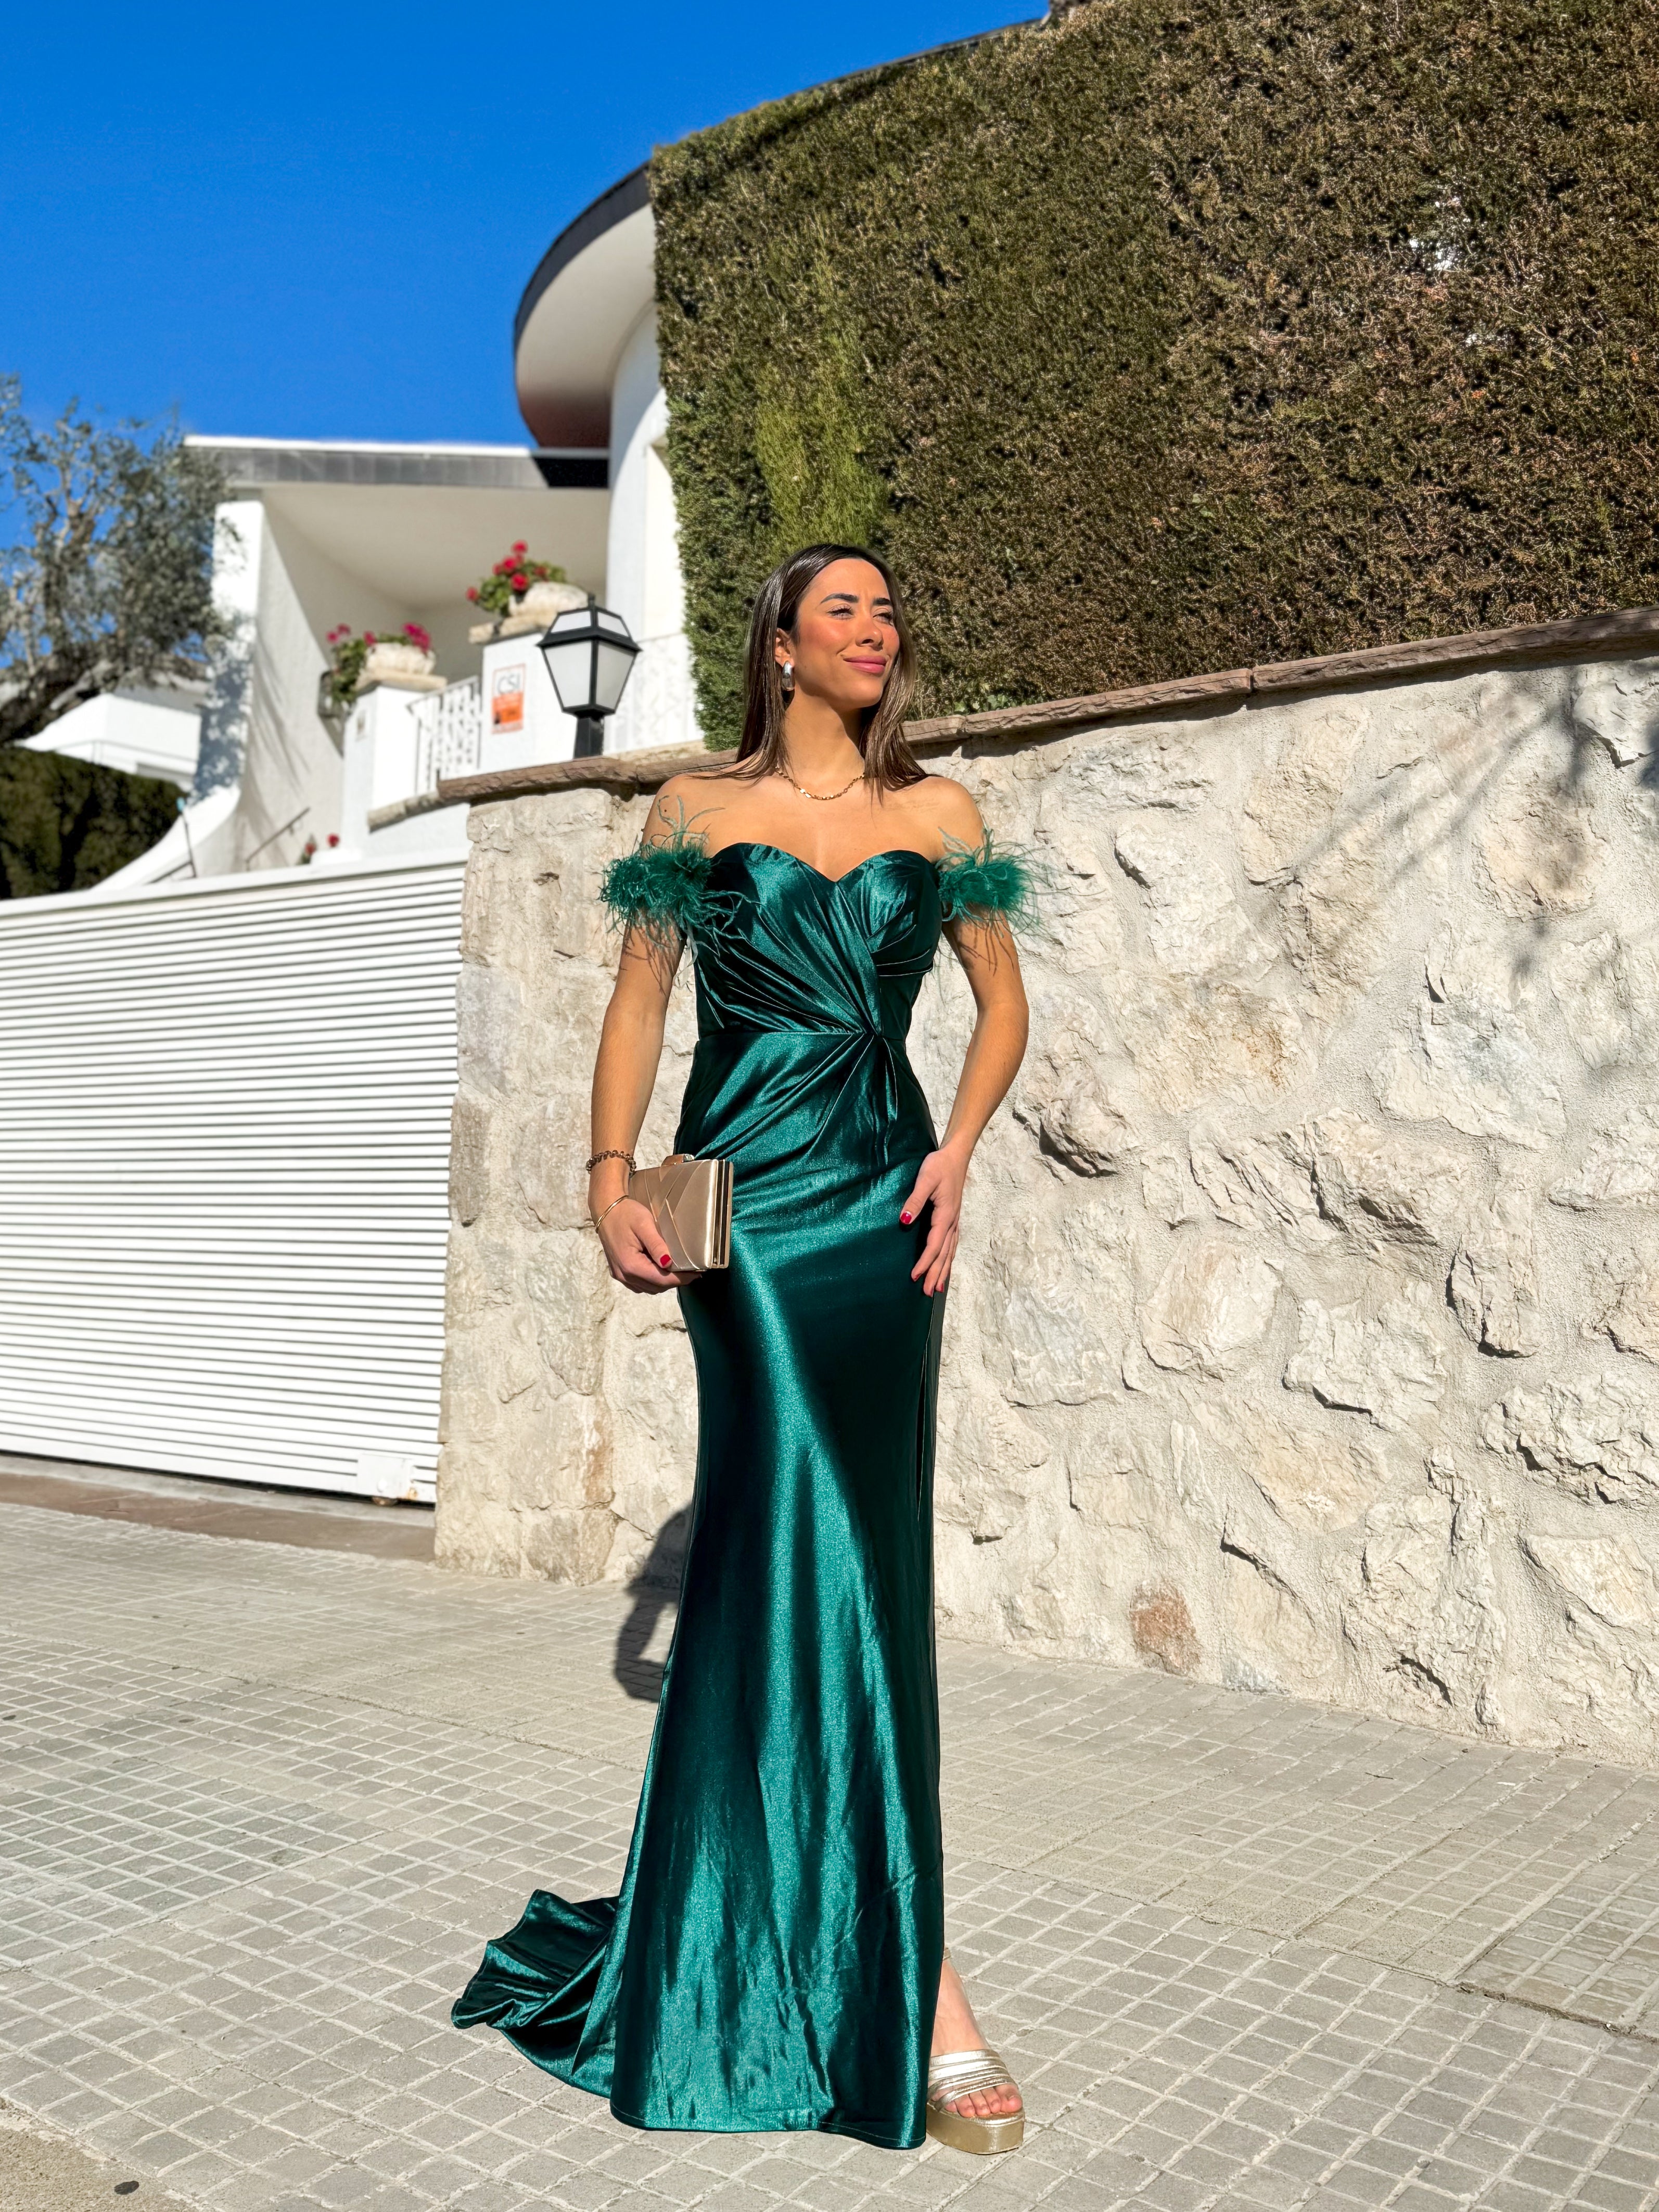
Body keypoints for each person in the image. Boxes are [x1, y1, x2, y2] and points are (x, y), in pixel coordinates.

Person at [452, 543, 1033, 2156]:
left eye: (887, 607)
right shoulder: (691, 810)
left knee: (869, 1556)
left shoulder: (943, 814)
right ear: (778, 643)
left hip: (885, 1198)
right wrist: (606, 1174)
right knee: (805, 1535)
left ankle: (884, 1942)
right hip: (746, 1208)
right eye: (841, 606)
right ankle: (890, 1974)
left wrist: (958, 1151)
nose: (874, 626)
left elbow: (1001, 1006)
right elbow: (641, 1005)